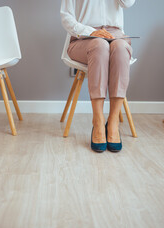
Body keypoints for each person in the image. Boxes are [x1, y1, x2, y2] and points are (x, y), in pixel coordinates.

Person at [60, 0, 135, 153]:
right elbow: (66, 16)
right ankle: (98, 121)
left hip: (116, 34)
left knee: (120, 48)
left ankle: (113, 122)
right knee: (99, 46)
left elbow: (127, 3)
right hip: (84, 37)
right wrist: (90, 31)